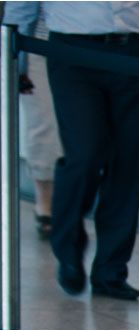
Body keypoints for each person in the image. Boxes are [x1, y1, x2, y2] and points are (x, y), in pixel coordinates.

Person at [2, 2, 139, 301]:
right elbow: (22, 7)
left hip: (134, 52)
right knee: (84, 155)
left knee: (130, 162)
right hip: (72, 53)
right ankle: (69, 250)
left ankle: (111, 271)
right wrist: (16, 63)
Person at [16, 17, 61, 240]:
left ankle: (68, 203)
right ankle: (45, 202)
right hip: (35, 38)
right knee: (43, 123)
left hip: (83, 43)